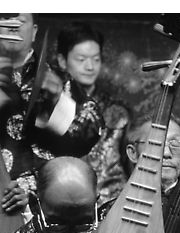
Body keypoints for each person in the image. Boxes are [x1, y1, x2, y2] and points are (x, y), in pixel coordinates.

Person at [0, 13, 103, 202]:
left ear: (34, 32)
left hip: (43, 205)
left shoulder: (60, 81)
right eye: (6, 17)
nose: (13, 26)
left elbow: (87, 137)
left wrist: (57, 102)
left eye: (20, 19)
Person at [53, 21, 132, 205]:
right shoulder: (50, 108)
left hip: (111, 205)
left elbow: (131, 165)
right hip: (62, 206)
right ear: (62, 61)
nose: (90, 67)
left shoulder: (118, 112)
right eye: (81, 59)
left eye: (96, 59)